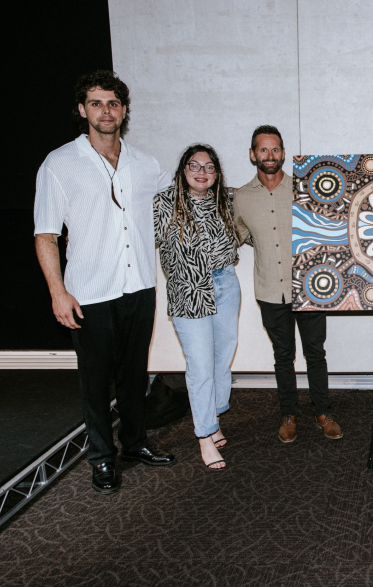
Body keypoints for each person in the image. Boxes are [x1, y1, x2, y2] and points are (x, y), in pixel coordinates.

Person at [33, 70, 176, 495]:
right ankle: (101, 458)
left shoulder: (146, 164)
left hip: (139, 287)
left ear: (124, 110)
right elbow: (45, 234)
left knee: (135, 375)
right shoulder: (59, 164)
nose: (105, 111)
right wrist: (58, 292)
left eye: (113, 103)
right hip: (89, 292)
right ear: (82, 110)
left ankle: (134, 444)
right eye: (96, 103)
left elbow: (181, 206)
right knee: (95, 381)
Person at [234, 125, 342, 442]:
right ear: (253, 154)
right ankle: (288, 415)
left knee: (315, 354)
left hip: (308, 288)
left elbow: (325, 230)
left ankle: (323, 412)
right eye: (263, 150)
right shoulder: (241, 197)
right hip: (269, 290)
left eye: (276, 149)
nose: (270, 155)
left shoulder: (305, 189)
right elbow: (237, 237)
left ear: (283, 152)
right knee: (283, 356)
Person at [154, 144, 241, 470]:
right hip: (188, 291)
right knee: (201, 366)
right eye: (195, 165)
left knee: (222, 359)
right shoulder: (164, 203)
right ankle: (204, 436)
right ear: (183, 170)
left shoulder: (226, 201)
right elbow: (131, 234)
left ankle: (215, 417)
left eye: (209, 167)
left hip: (226, 285)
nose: (201, 172)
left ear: (216, 174)